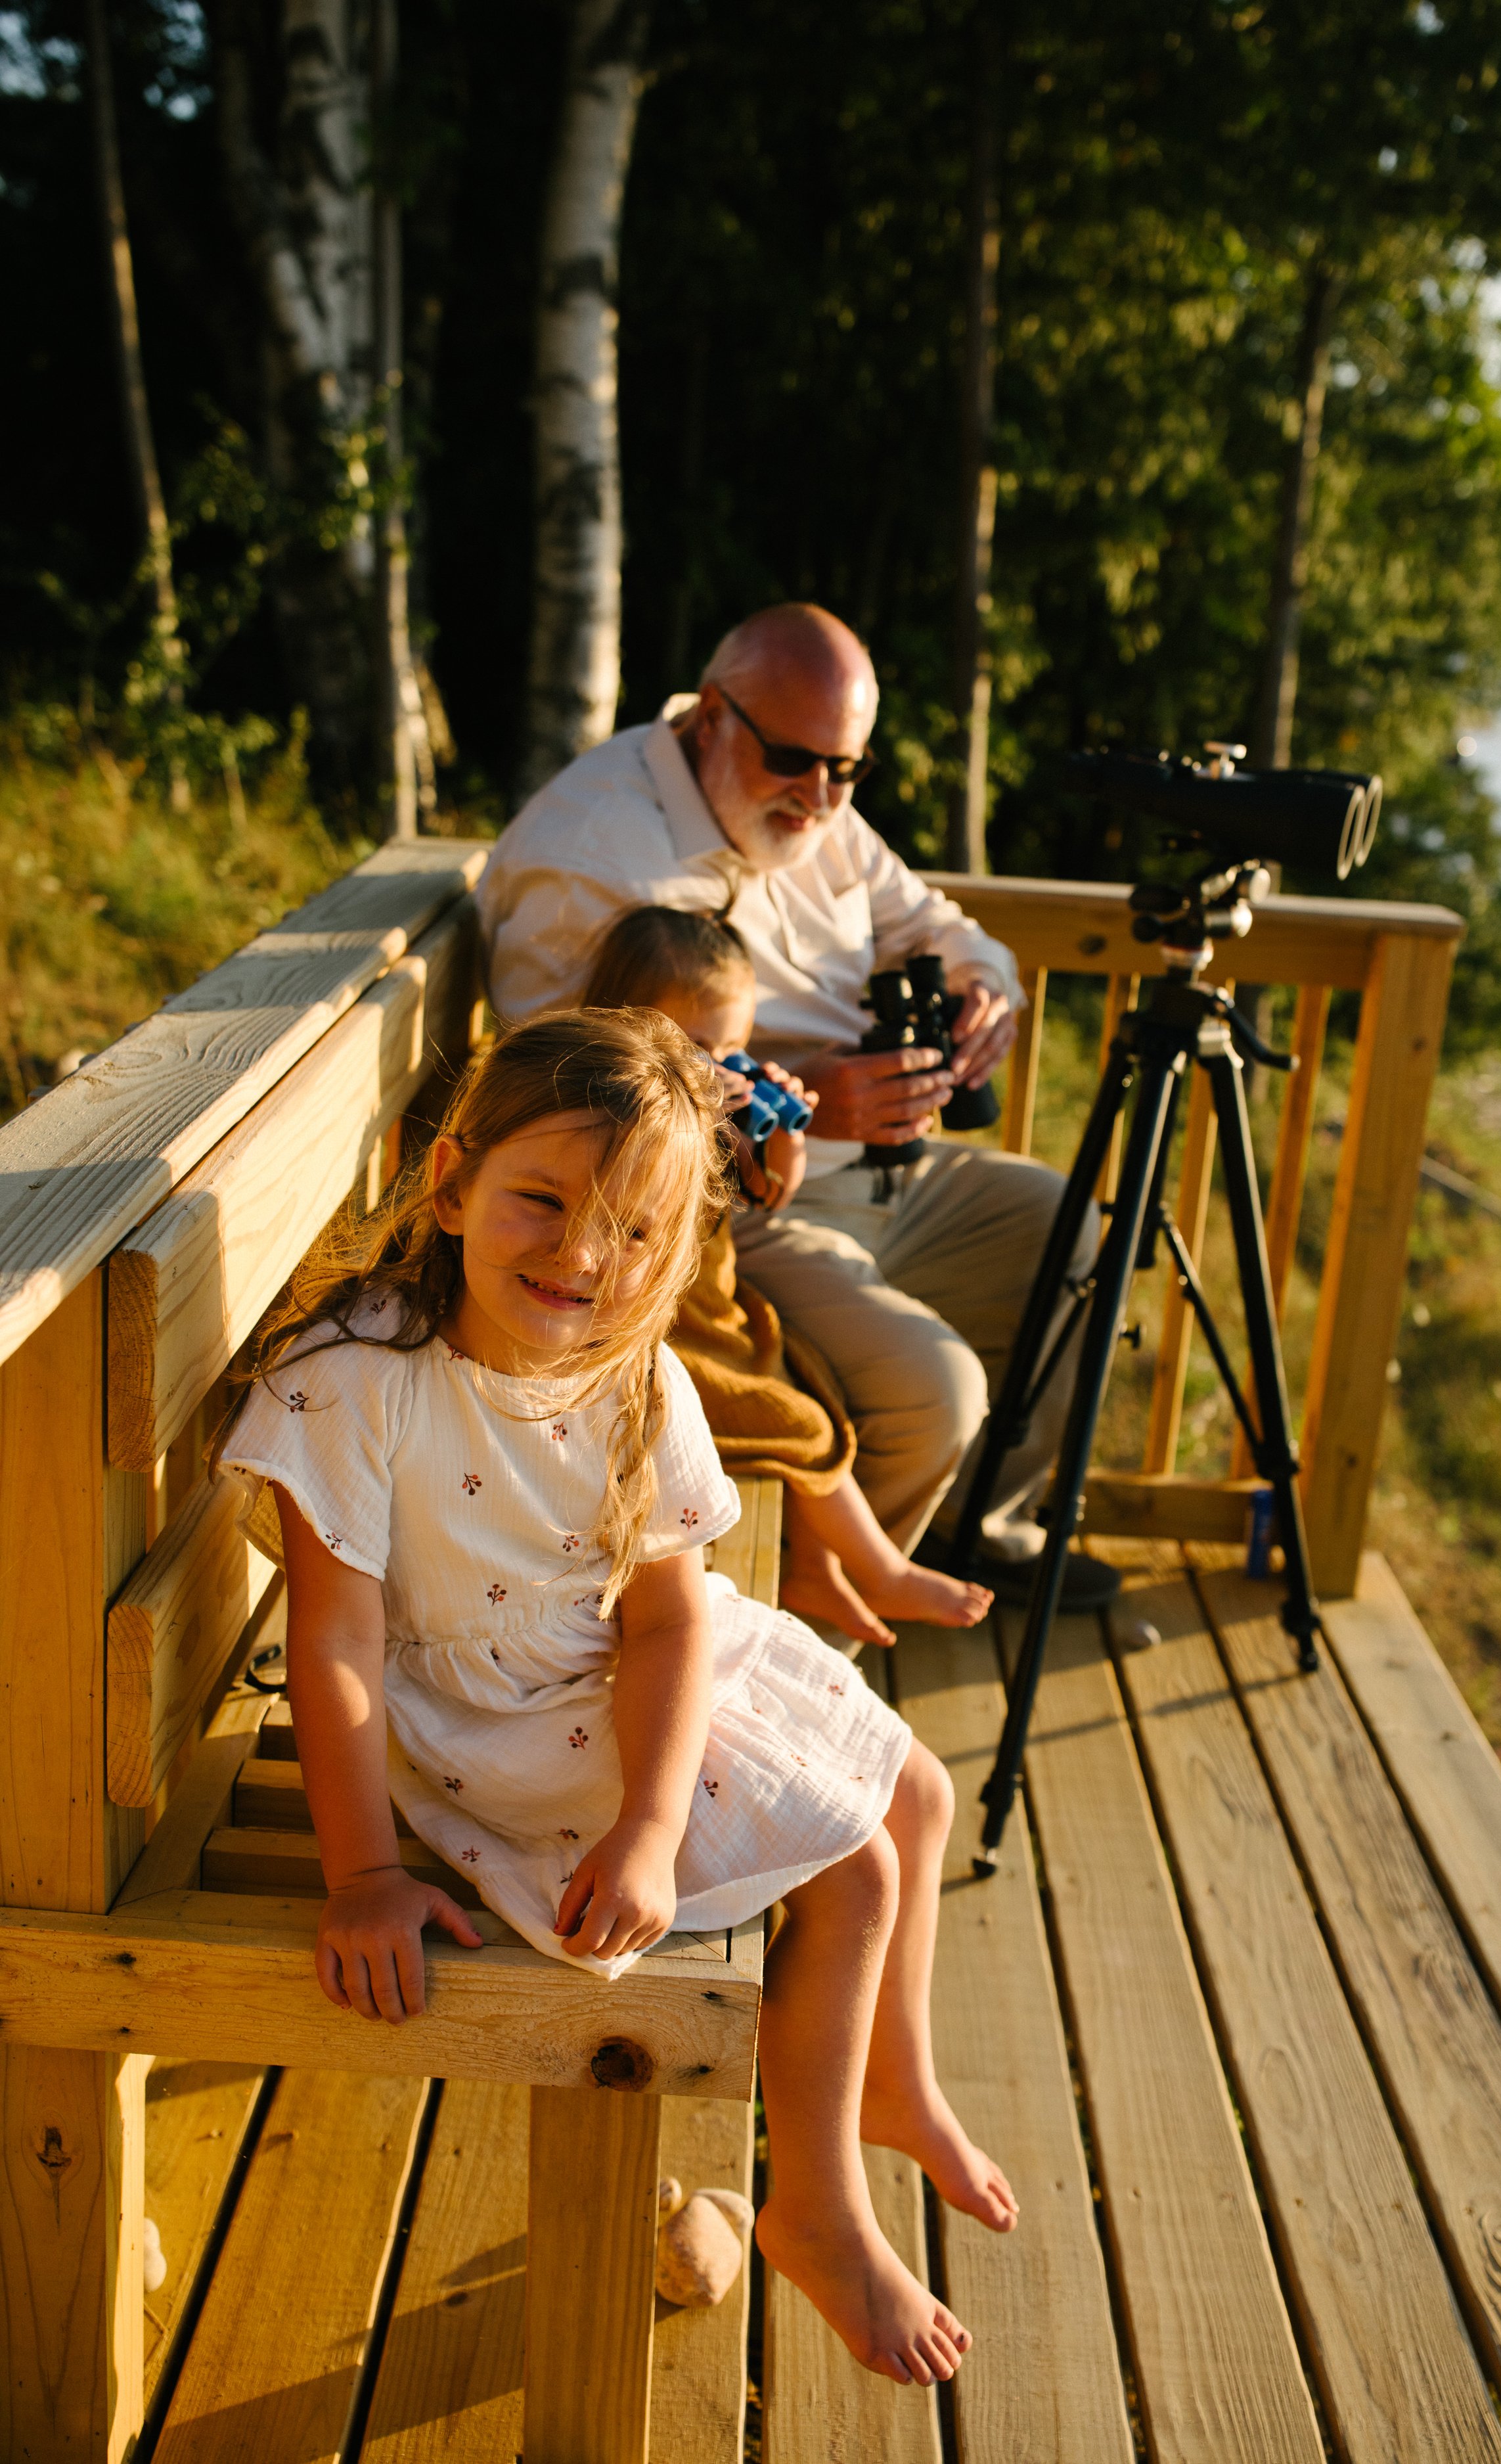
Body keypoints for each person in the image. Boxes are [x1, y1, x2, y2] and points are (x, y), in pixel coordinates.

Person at [216, 1011, 1016, 2386]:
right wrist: (361, 1875)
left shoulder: (630, 1369)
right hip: (493, 1719)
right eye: (541, 1200)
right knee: (856, 1877)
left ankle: (891, 2081)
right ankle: (813, 2207)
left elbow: (663, 1614)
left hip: (610, 1655)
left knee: (917, 1791)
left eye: (635, 1232)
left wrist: (654, 1820)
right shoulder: (358, 1382)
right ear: (451, 1181)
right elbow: (335, 1647)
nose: (583, 1255)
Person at [479, 602, 1115, 1605]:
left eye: (847, 768)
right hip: (743, 1205)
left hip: (889, 1164)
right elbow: (568, 1102)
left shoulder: (805, 805)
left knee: (1081, 1235)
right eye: (795, 758)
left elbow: (945, 927)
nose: (821, 796)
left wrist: (987, 989)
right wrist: (810, 1107)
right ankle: (816, 1641)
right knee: (938, 1394)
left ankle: (979, 1530)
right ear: (709, 718)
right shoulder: (593, 856)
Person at [581, 902, 994, 1647]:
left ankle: (818, 1568)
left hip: (720, 1317)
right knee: (793, 1421)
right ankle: (881, 1570)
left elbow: (768, 1193)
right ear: (626, 1026)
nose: (722, 1064)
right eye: (699, 1044)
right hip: (655, 1339)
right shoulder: (602, 1116)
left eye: (736, 1043)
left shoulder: (710, 1109)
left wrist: (782, 1139)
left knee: (810, 1385)